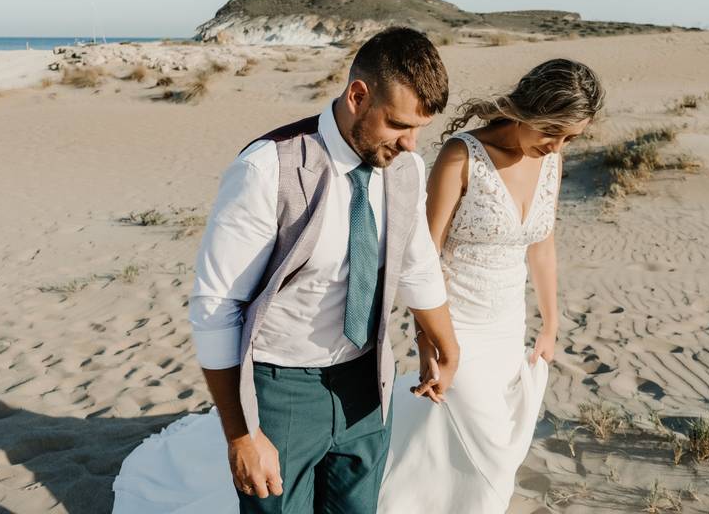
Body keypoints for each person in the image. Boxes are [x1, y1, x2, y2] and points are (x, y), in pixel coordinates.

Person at [112, 27, 460, 513]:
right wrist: (242, 435)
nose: (411, 143)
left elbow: (416, 260)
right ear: (358, 96)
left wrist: (445, 342)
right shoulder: (266, 170)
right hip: (282, 389)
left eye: (420, 128)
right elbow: (217, 305)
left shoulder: (405, 167)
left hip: (367, 380)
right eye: (400, 124)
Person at [378, 58, 604, 513]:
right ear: (527, 110)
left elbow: (542, 243)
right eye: (551, 131)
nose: (557, 146)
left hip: (507, 328)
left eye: (569, 138)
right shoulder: (462, 157)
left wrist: (550, 324)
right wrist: (427, 343)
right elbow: (425, 258)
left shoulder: (551, 161)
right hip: (455, 325)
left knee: (471, 447)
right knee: (488, 453)